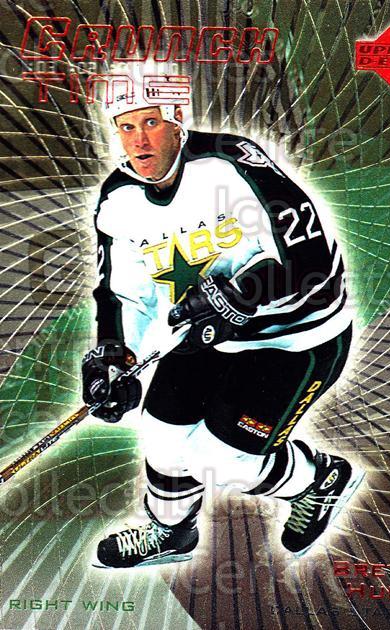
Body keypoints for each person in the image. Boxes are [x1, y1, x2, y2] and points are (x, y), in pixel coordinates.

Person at [82, 72, 364, 569]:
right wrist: (114, 356)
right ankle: (171, 533)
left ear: (178, 121)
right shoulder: (118, 198)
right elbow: (120, 292)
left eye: (151, 122)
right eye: (126, 126)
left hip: (296, 337)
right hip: (207, 333)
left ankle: (319, 478)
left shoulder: (231, 163)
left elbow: (312, 261)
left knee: (218, 460)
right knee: (163, 437)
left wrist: (239, 295)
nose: (140, 140)